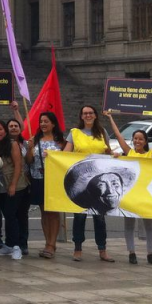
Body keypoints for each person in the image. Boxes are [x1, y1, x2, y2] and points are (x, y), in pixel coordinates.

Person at [105, 111, 152, 264]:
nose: (137, 141)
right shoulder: (128, 153)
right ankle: (132, 253)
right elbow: (118, 135)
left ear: (145, 141)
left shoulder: (150, 155)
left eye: (140, 139)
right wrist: (110, 118)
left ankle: (150, 254)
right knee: (129, 225)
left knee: (149, 226)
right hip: (130, 194)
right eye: (135, 138)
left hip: (146, 195)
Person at [63, 105, 113, 262]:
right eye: (85, 113)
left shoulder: (102, 132)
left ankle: (102, 249)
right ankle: (77, 248)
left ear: (95, 115)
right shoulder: (74, 133)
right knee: (79, 217)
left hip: (99, 181)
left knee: (99, 217)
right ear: (81, 116)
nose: (88, 115)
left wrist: (115, 155)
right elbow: (65, 154)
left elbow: (108, 152)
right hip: (81, 180)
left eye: (91, 113)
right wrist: (51, 155)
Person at [25, 111, 66, 259]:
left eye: (46, 121)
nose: (43, 124)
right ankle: (47, 242)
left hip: (54, 180)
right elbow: (29, 161)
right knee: (43, 213)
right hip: (38, 178)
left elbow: (66, 160)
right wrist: (29, 149)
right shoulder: (34, 140)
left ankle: (52, 244)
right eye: (41, 121)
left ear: (53, 123)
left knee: (53, 212)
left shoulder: (61, 141)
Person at [0, 119, 24, 259]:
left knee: (11, 215)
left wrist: (13, 185)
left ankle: (16, 247)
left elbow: (18, 165)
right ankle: (9, 245)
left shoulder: (12, 144)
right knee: (6, 215)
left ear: (5, 131)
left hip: (14, 185)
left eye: (0, 129)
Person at [5, 110, 31, 256]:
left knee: (22, 214)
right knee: (11, 214)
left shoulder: (26, 143)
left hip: (25, 183)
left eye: (16, 126)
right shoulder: (5, 144)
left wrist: (31, 149)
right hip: (12, 183)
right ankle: (11, 243)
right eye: (11, 126)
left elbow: (28, 161)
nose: (14, 128)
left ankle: (23, 243)